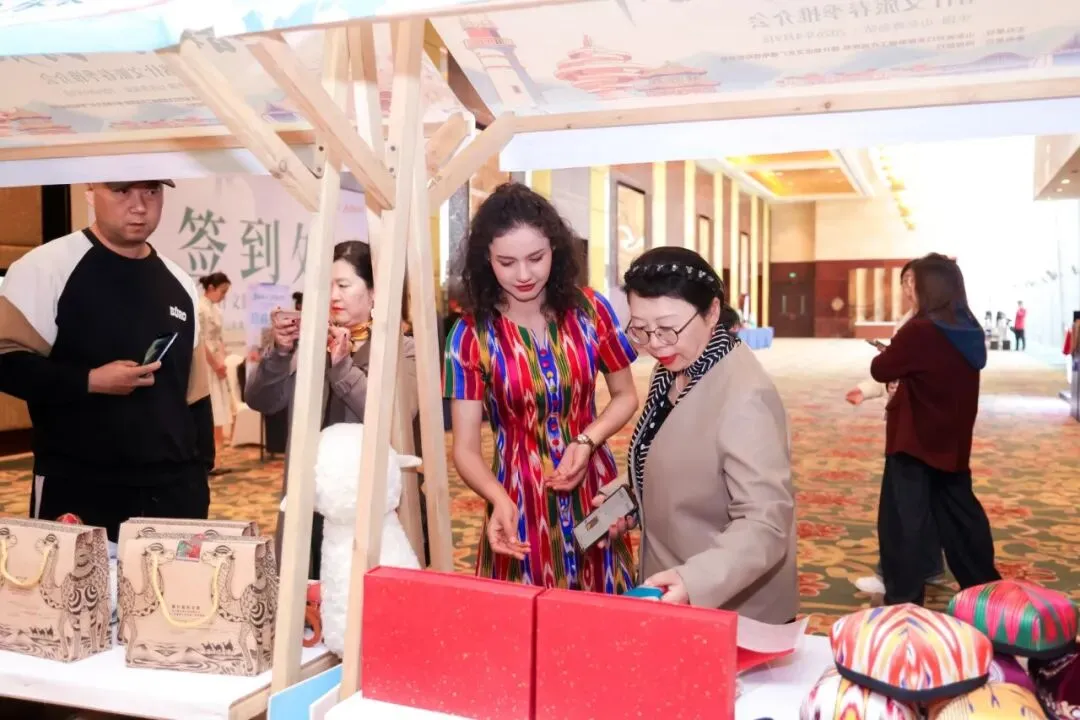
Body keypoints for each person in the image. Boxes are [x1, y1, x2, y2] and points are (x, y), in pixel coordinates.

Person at [444, 182, 639, 592]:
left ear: (555, 249)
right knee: (528, 615)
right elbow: (465, 449)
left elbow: (626, 396)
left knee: (603, 607)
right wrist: (498, 498)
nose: (523, 274)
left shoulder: (591, 310)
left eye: (536, 258)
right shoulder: (470, 335)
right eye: (507, 262)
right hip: (518, 500)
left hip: (594, 490)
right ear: (486, 260)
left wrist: (586, 441)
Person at [0, 180, 214, 542]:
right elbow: (6, 361)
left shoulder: (179, 281)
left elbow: (195, 393)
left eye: (151, 191)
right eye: (121, 190)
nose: (139, 205)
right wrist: (89, 380)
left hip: (174, 490)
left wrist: (199, 474)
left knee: (170, 581)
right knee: (76, 581)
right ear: (90, 192)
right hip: (81, 485)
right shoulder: (47, 267)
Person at [605, 247, 797, 622]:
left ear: (712, 312)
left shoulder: (745, 397)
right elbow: (685, 454)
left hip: (730, 604)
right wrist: (629, 494)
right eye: (641, 329)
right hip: (674, 581)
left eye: (668, 328)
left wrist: (694, 581)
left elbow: (765, 522)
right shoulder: (677, 367)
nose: (655, 343)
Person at [246, 240, 418, 579]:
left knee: (362, 594)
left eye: (343, 285)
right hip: (309, 500)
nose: (333, 296)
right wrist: (280, 353)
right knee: (306, 593)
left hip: (369, 506)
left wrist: (342, 368)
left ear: (374, 292)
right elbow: (261, 401)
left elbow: (394, 417)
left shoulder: (402, 349)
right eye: (327, 286)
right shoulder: (307, 344)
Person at [869, 254, 1000, 606]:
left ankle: (904, 600)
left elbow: (881, 369)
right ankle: (984, 589)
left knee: (904, 523)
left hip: (914, 439)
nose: (909, 289)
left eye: (913, 282)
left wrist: (895, 348)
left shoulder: (920, 330)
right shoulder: (968, 328)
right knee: (961, 518)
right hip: (951, 439)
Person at [847, 259, 947, 597]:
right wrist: (867, 390)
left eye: (912, 282)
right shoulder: (912, 321)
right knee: (924, 502)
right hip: (912, 421)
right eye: (904, 282)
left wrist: (886, 369)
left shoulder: (926, 326)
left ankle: (892, 575)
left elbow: (891, 367)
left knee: (902, 507)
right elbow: (894, 370)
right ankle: (929, 566)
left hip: (918, 427)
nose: (907, 289)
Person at [198, 272, 233, 446]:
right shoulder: (200, 308)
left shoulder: (216, 309)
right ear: (211, 288)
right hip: (205, 361)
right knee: (209, 403)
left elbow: (219, 338)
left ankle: (217, 446)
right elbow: (200, 341)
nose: (223, 296)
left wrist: (222, 362)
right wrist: (214, 364)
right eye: (222, 291)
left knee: (219, 405)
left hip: (217, 360)